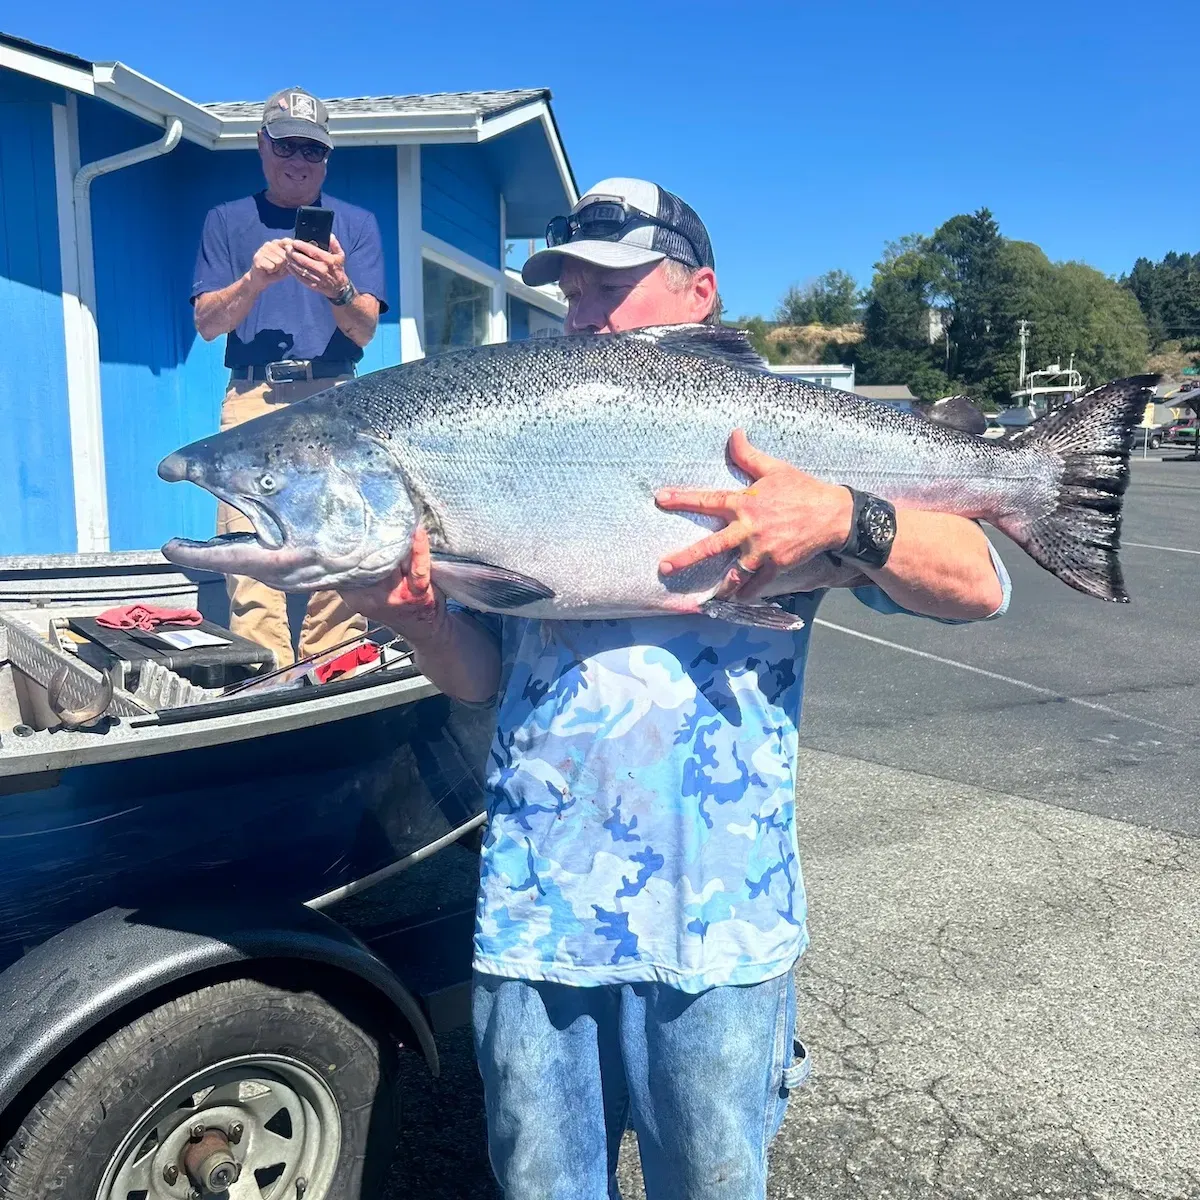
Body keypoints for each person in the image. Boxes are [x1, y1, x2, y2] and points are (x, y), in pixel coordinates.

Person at [345, 178, 1011, 1199]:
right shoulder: (510, 439)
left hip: (724, 930)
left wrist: (848, 520)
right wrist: (414, 613)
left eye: (614, 284)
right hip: (537, 918)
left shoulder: (784, 446)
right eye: (570, 287)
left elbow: (979, 586)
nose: (587, 311)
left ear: (700, 291)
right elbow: (479, 678)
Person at [191, 86, 388, 668]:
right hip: (252, 394)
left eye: (314, 150)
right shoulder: (226, 222)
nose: (300, 161)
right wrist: (254, 281)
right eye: (288, 146)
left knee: (341, 524)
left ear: (326, 158)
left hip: (333, 394)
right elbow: (207, 324)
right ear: (261, 144)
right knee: (247, 533)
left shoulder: (356, 225)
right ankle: (265, 668)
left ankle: (333, 658)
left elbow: (364, 330)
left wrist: (338, 288)